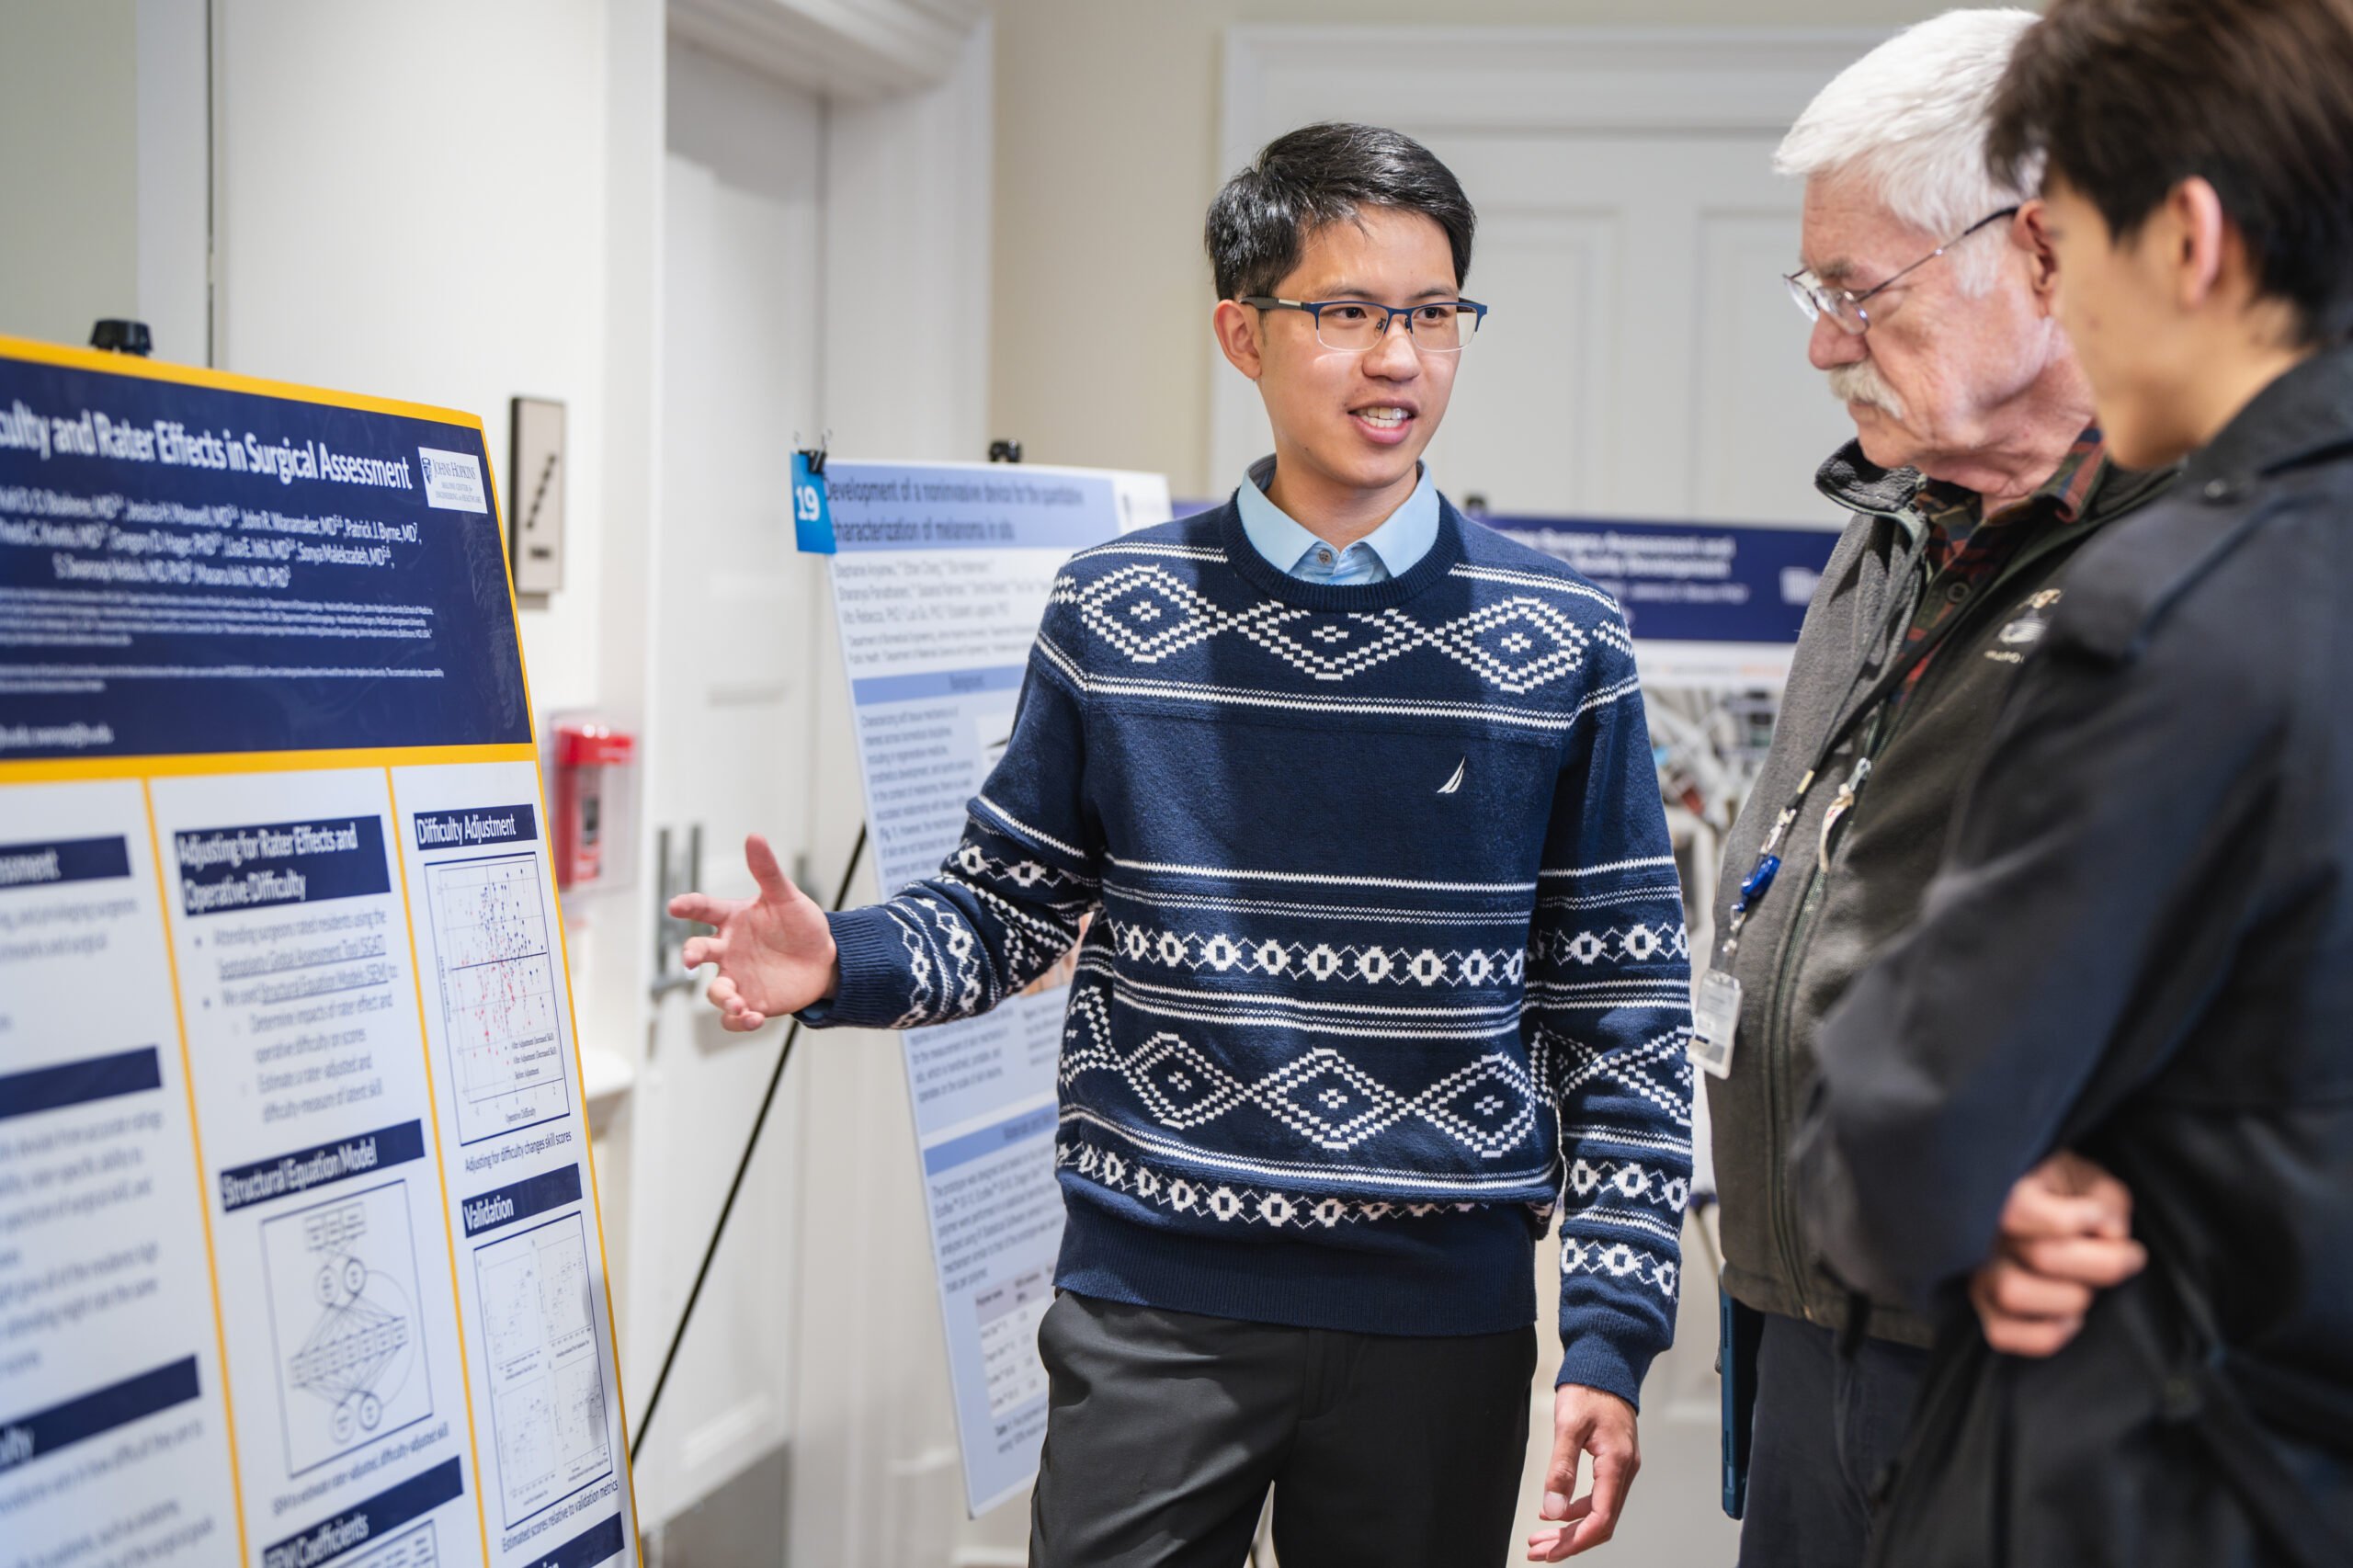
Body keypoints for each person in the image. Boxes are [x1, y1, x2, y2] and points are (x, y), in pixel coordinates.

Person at [669, 122, 1693, 1567]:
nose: (1396, 357)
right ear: (1243, 331)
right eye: (1345, 313)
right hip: (1155, 1304)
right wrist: (844, 956)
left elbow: (1625, 1022)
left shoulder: (1563, 641)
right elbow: (1005, 909)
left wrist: (1609, 1334)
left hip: (1440, 1320)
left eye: (1432, 313)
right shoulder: (1114, 610)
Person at [1791, 0, 2353, 1561]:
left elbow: (1906, 1141)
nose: (2059, 291)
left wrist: (1977, 1169)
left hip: (2186, 1463)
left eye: (2067, 244)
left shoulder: (2185, 601)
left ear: (2187, 237)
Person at [1698, 12, 2177, 1566]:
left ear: (2041, 253)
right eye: (1815, 292)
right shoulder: (1894, 526)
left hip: (2027, 1354)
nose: (1825, 341)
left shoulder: (2209, 557)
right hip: (1806, 1313)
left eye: (1858, 291)